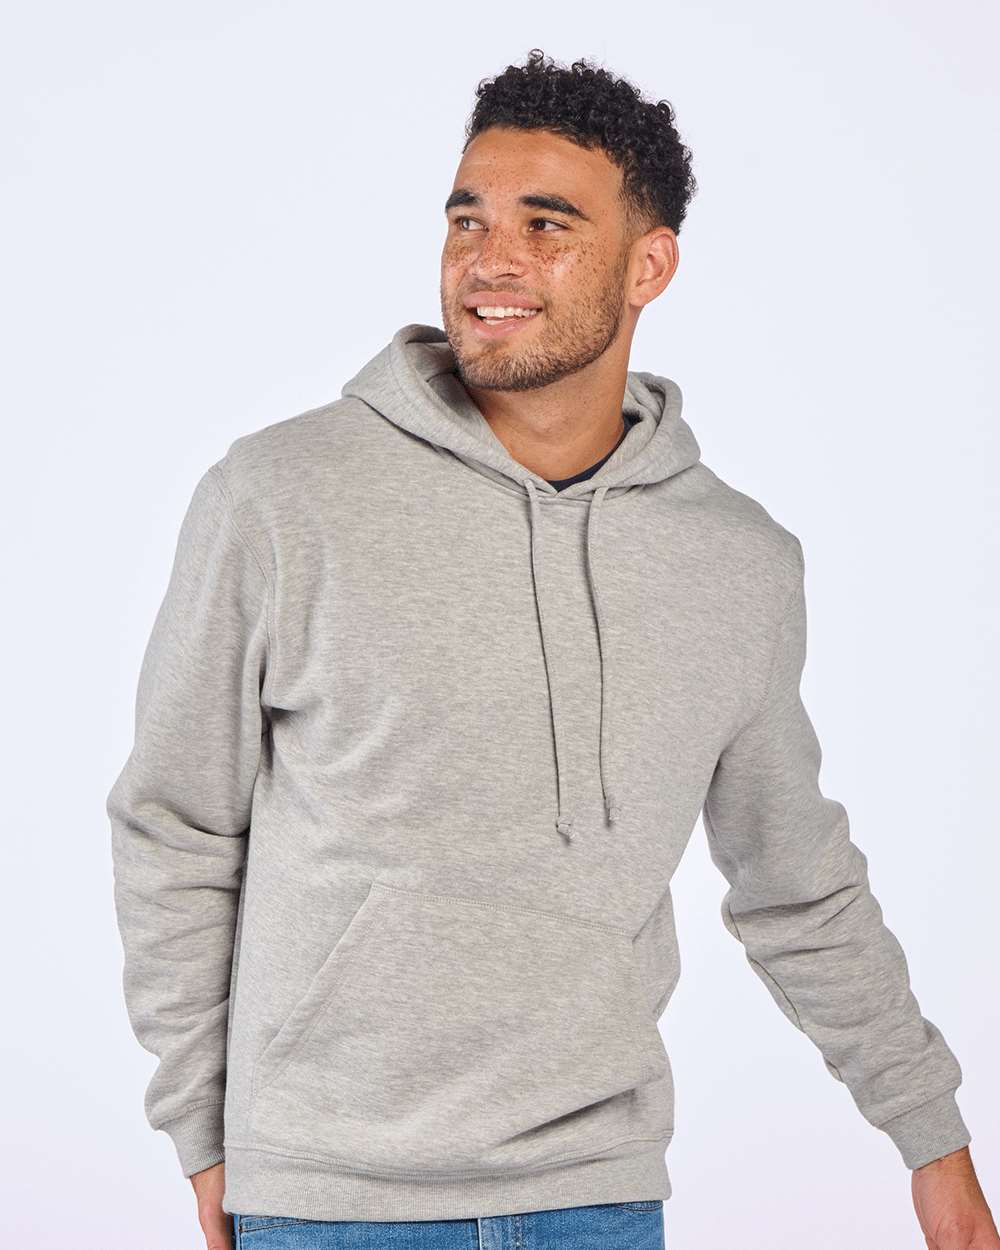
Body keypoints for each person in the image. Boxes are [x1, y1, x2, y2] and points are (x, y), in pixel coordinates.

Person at [107, 49, 998, 1250]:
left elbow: (795, 881)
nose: (489, 259)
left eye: (546, 224)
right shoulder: (281, 495)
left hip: (598, 1193)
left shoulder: (736, 562)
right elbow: (175, 821)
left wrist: (931, 1139)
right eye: (467, 219)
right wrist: (201, 1129)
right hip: (329, 1197)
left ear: (649, 265)